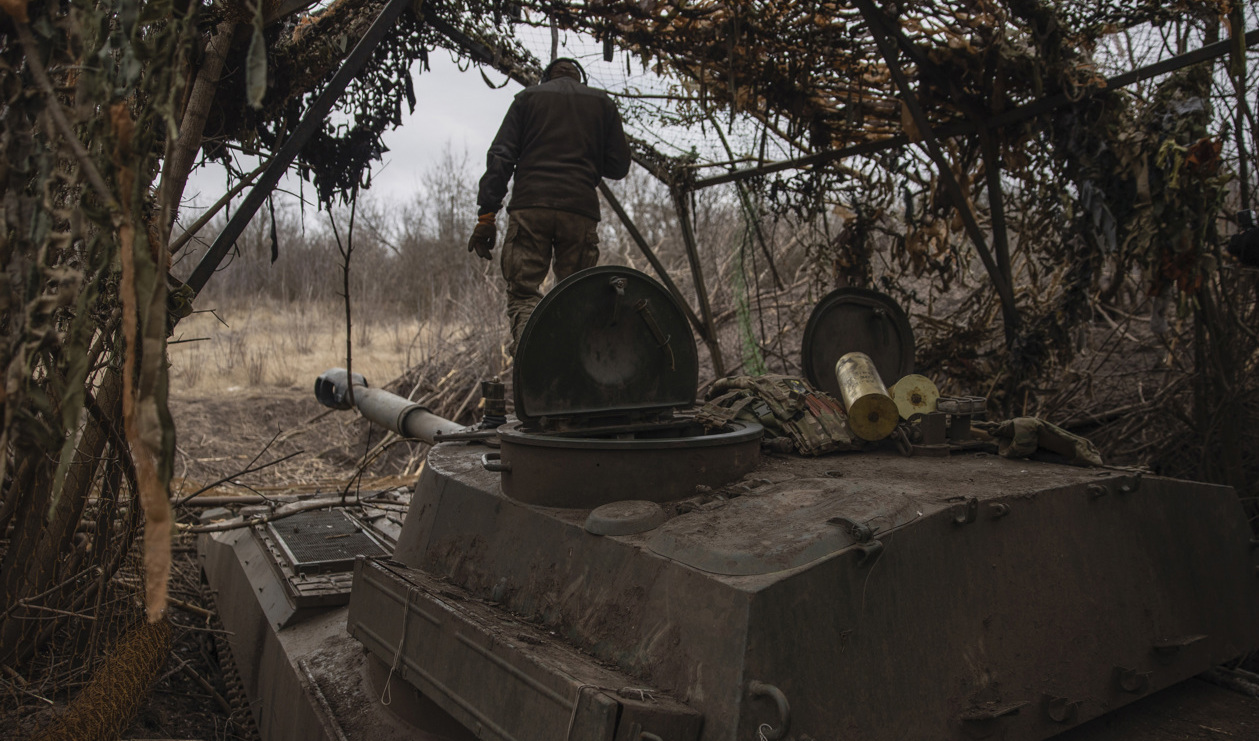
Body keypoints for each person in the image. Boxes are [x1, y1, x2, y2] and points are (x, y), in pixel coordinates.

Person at [468, 57, 632, 353]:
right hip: (579, 210)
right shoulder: (602, 104)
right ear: (579, 79)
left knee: (523, 292)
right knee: (573, 295)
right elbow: (619, 166)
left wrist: (486, 216)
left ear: (546, 78)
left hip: (531, 207)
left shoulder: (527, 99)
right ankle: (567, 369)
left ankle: (532, 360)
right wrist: (588, 160)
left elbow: (501, 157)